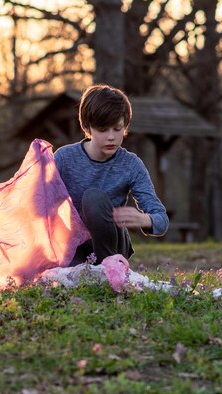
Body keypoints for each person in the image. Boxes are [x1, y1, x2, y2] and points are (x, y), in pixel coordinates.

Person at [54, 84, 169, 266]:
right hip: (75, 243)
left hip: (114, 244)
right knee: (67, 273)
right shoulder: (63, 158)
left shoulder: (131, 164)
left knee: (94, 197)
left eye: (117, 129)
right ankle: (87, 269)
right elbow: (40, 206)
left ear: (125, 126)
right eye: (102, 129)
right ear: (87, 126)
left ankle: (110, 268)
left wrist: (143, 219)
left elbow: (162, 221)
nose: (111, 137)